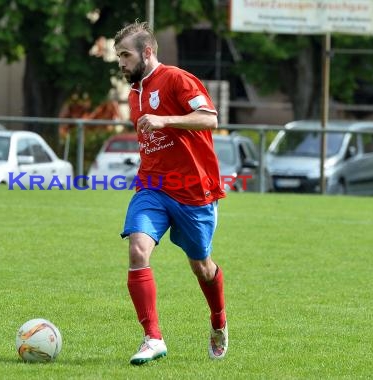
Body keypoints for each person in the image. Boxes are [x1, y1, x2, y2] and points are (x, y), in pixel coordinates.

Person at [114, 21, 228, 365]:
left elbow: (209, 119)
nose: (120, 62)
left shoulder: (178, 79)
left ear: (147, 52)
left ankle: (219, 320)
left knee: (202, 267)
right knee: (137, 250)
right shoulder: (134, 94)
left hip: (194, 192)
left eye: (125, 55)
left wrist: (166, 121)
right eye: (117, 55)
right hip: (153, 187)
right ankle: (153, 338)